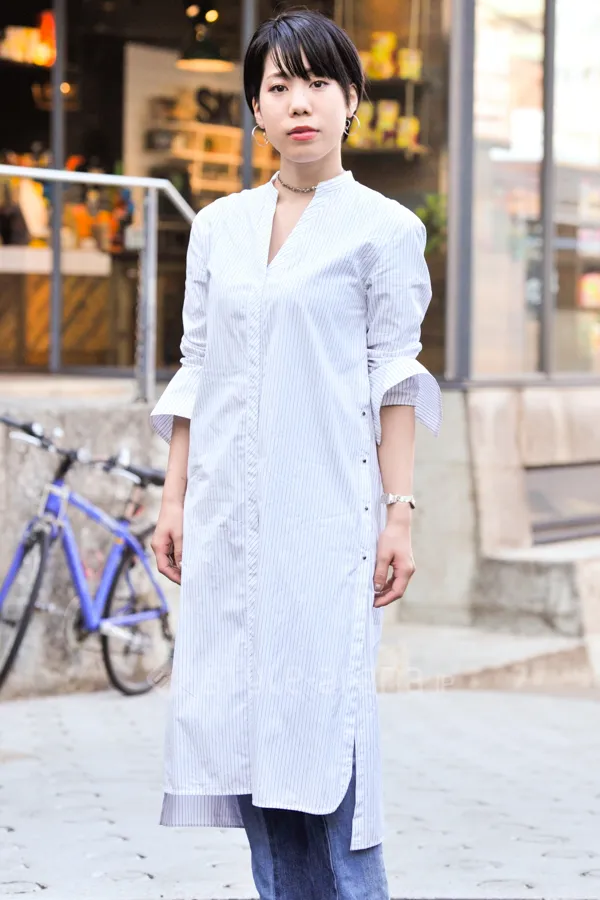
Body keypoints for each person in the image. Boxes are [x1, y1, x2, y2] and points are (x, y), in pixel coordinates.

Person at [150, 9, 442, 899]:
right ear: (256, 110)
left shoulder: (384, 229)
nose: (299, 103)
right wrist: (173, 499)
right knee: (249, 739)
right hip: (229, 520)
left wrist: (399, 514)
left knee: (326, 738)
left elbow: (394, 380)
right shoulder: (219, 227)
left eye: (318, 83)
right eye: (278, 86)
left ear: (352, 99)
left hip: (328, 519)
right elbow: (199, 366)